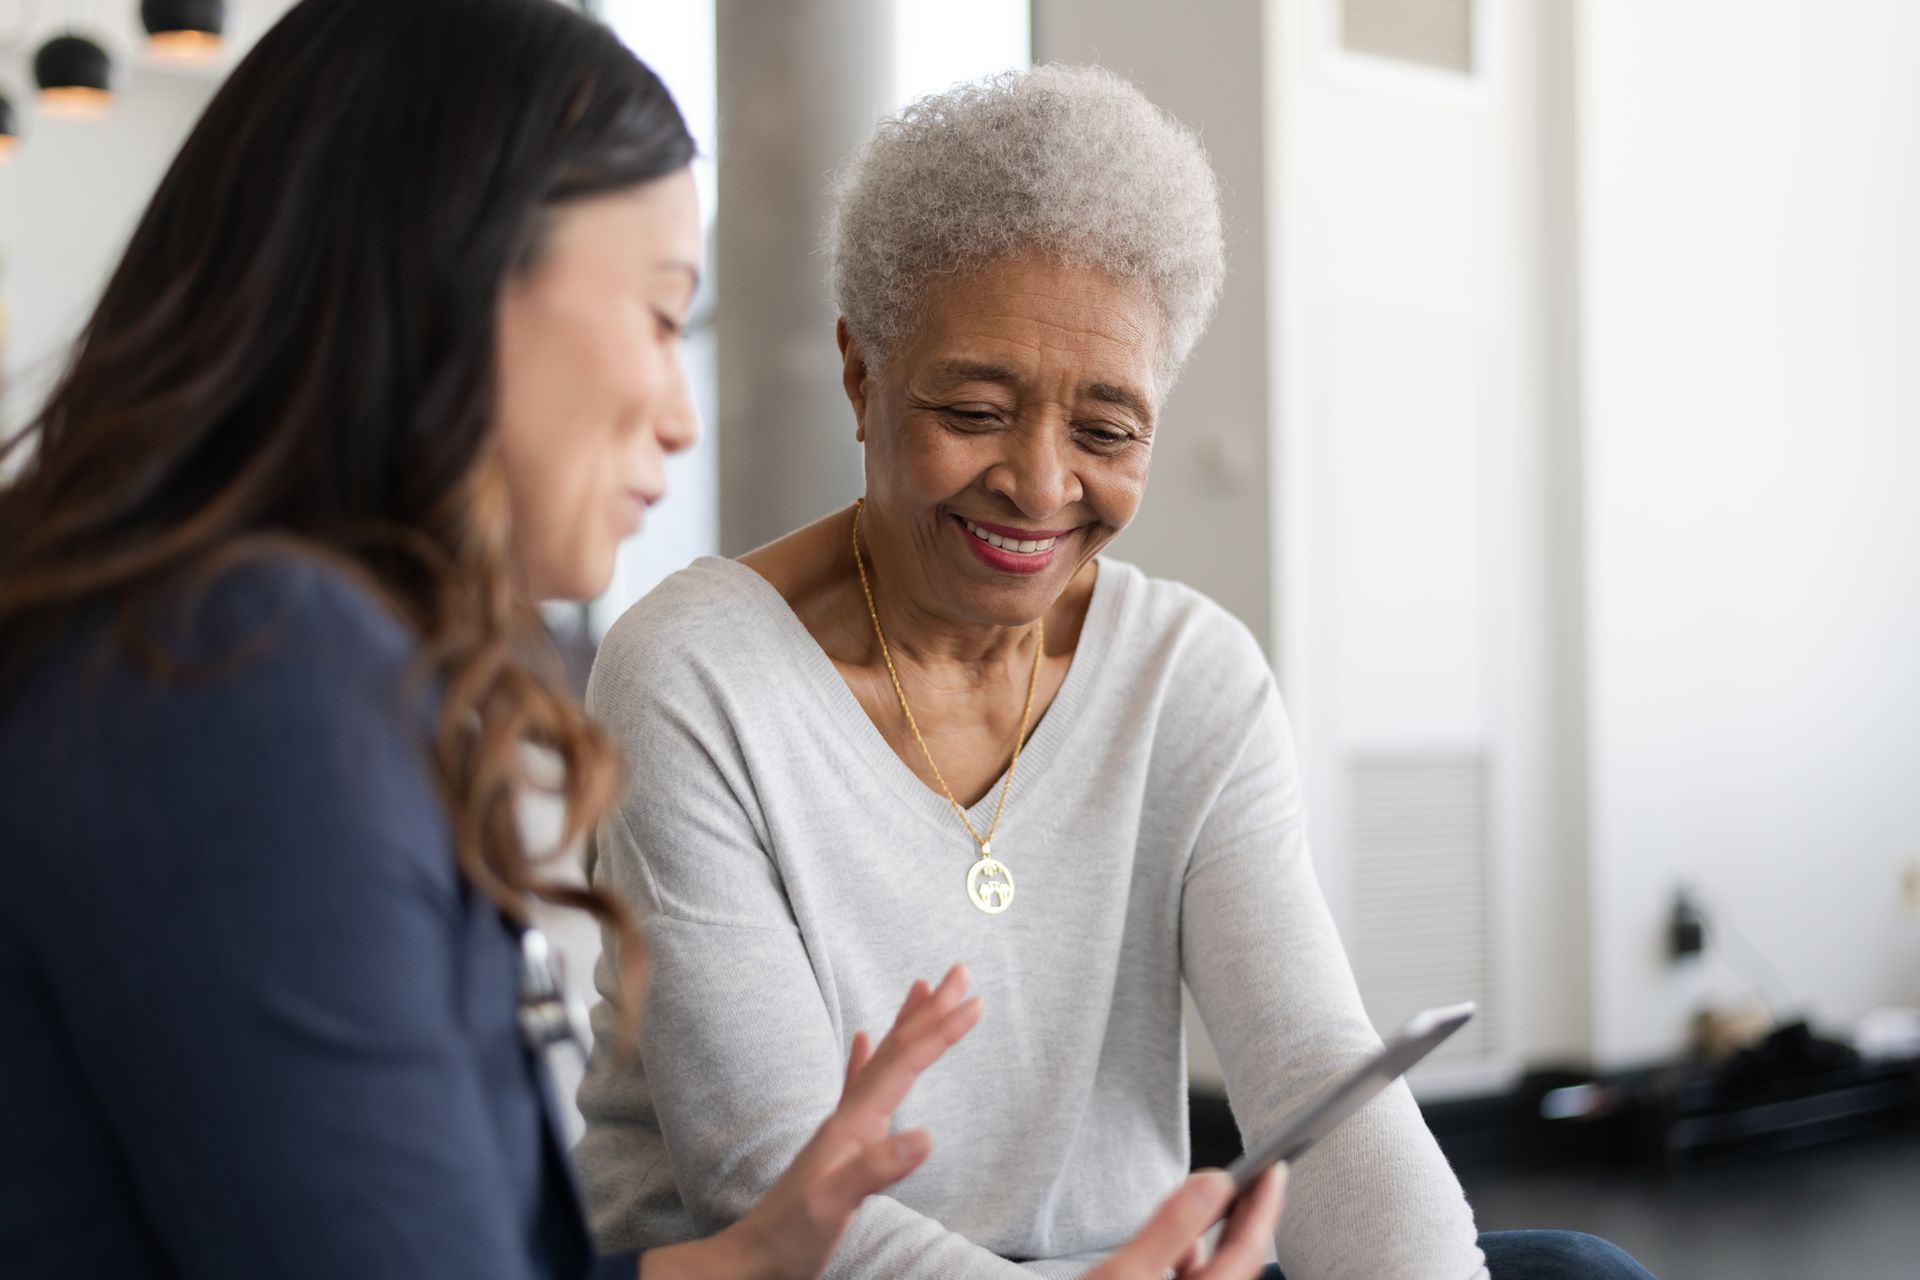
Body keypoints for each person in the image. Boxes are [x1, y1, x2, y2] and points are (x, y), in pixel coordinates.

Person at [0, 2, 1288, 1276]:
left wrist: (756, 1257)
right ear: (449, 285)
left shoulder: (239, 646)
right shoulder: (247, 676)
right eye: (664, 317)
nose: (681, 417)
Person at [574, 66, 1657, 1280]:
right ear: (861, 371)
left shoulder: (1190, 675)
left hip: (1126, 1265)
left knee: (1574, 1272)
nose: (1041, 487)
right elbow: (773, 1188)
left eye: (1105, 431)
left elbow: (1313, 1067)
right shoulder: (695, 673)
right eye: (975, 410)